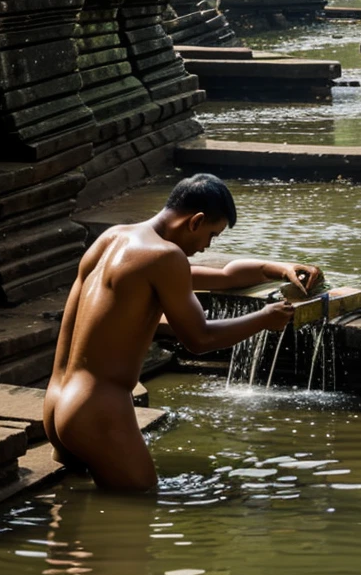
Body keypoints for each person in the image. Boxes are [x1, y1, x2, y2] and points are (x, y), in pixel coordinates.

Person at [43, 173, 322, 491]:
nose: (207, 247)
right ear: (196, 221)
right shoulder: (165, 257)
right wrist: (265, 318)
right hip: (96, 413)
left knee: (73, 508)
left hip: (57, 403)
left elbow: (225, 276)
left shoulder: (115, 239)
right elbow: (199, 339)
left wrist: (280, 267)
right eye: (212, 235)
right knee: (140, 509)